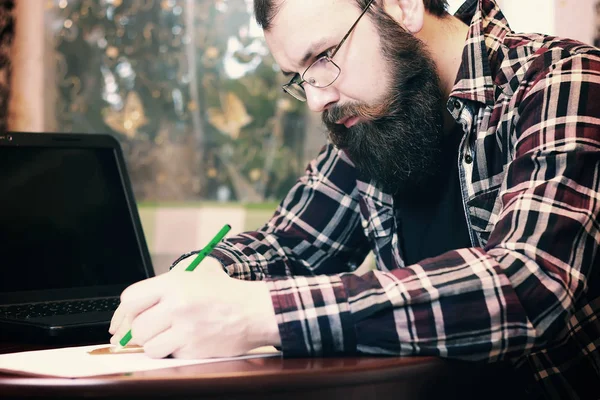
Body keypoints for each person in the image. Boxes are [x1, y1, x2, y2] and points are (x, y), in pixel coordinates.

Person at [109, 0, 600, 398]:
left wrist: (256, 313)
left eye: (322, 57)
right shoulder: (373, 118)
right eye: (300, 77)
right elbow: (289, 246)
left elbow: (530, 282)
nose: (318, 97)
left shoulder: (565, 78)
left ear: (402, 7)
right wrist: (209, 269)